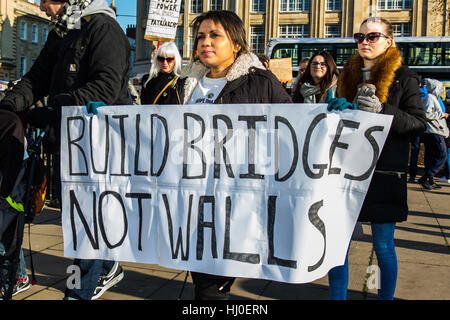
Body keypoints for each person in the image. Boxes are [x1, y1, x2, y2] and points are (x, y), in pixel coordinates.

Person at [0, 0, 131, 300]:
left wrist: (53, 109)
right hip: (69, 142)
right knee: (78, 218)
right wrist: (8, 107)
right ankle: (108, 266)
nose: (42, 7)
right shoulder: (61, 33)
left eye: (45, 1)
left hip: (99, 145)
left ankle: (79, 292)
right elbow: (36, 79)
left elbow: (105, 87)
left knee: (86, 220)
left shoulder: (103, 27)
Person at [164, 10, 292, 300]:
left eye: (215, 35)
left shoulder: (260, 82)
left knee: (213, 283)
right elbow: (156, 130)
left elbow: (293, 127)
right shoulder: (185, 85)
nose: (205, 42)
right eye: (200, 37)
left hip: (236, 200)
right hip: (191, 198)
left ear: (236, 44)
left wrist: (329, 118)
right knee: (202, 277)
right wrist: (106, 119)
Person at [326, 16, 427, 300]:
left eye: (372, 36)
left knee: (383, 246)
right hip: (345, 171)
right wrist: (335, 111)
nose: (364, 42)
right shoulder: (347, 75)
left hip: (384, 173)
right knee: (338, 244)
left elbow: (418, 123)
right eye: (360, 37)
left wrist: (383, 111)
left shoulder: (404, 77)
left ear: (388, 41)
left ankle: (385, 297)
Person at [417, 78, 449, 189]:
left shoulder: (433, 98)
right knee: (442, 154)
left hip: (434, 131)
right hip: (434, 131)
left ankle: (429, 180)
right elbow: (426, 114)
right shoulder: (430, 98)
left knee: (431, 156)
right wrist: (442, 115)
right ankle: (428, 176)